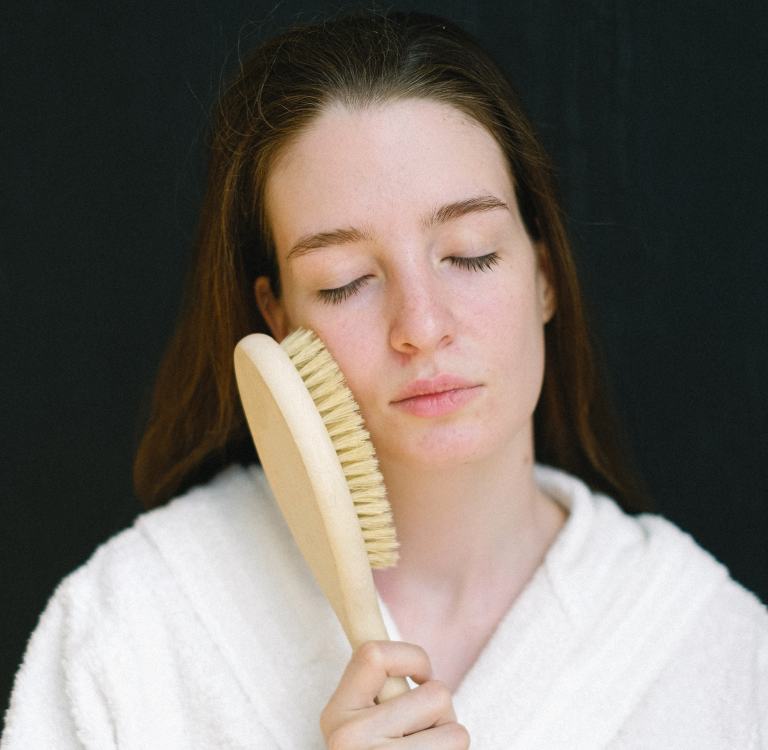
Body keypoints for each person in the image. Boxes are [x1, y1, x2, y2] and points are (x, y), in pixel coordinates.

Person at [3, 10, 766, 749]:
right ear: (280, 320)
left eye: (469, 253)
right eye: (343, 282)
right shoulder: (131, 628)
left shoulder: (717, 654)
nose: (422, 324)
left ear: (544, 271)